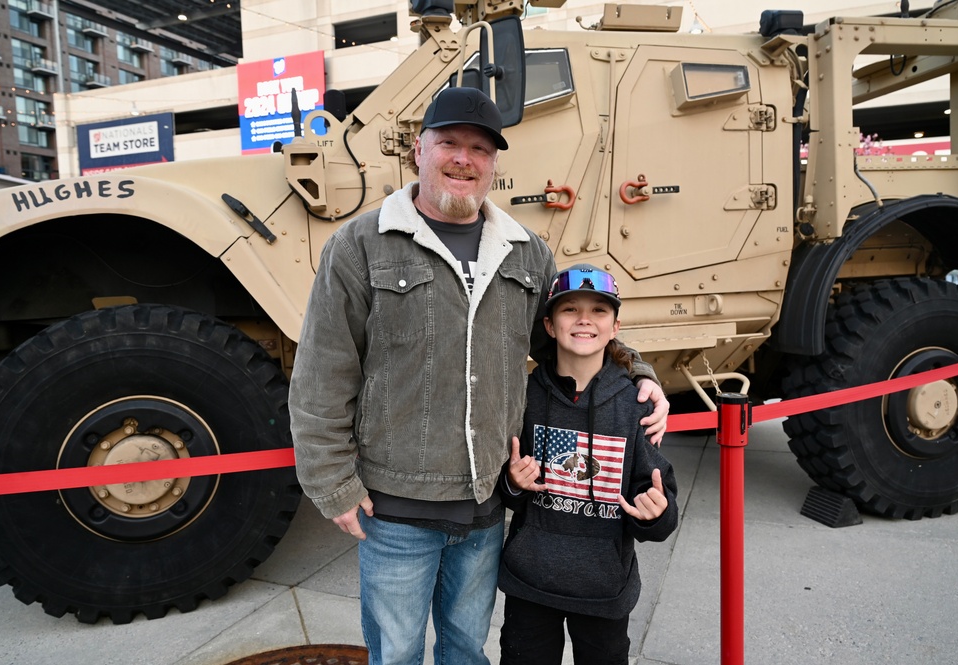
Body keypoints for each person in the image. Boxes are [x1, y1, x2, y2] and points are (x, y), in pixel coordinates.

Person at [288, 86, 669, 665]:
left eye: (480, 149)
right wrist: (332, 484)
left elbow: (569, 331)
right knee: (396, 653)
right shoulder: (361, 246)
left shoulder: (525, 252)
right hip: (395, 511)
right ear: (419, 150)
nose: (463, 158)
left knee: (467, 649)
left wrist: (639, 371)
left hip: (486, 507)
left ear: (493, 165)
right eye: (449, 143)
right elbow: (323, 372)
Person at [497, 264, 679, 665]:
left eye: (599, 310)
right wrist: (512, 483)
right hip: (531, 583)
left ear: (616, 327)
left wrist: (654, 515)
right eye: (569, 310)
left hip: (603, 590)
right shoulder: (523, 396)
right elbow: (503, 492)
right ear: (548, 325)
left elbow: (659, 505)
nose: (584, 319)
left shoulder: (637, 405)